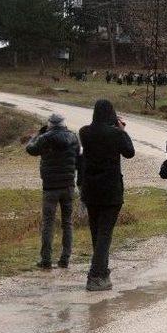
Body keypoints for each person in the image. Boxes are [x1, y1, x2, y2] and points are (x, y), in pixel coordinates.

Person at [79, 100, 135, 291]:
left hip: (90, 189)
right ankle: (95, 276)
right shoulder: (116, 134)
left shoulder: (84, 132)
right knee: (105, 233)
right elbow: (130, 152)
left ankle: (102, 272)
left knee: (96, 232)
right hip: (110, 189)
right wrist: (121, 129)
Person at [26, 113, 80, 270]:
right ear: (64, 124)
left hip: (50, 187)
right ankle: (65, 259)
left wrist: (37, 135)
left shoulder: (45, 138)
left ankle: (46, 260)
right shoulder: (73, 137)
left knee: (48, 223)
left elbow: (30, 149)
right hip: (69, 185)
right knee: (67, 223)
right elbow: (77, 156)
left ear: (50, 124)